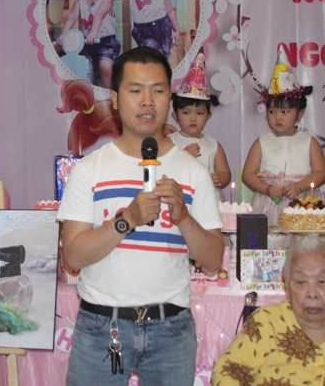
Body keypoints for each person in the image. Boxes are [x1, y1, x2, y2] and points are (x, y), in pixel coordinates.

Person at [56, 46, 223, 385]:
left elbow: (213, 260)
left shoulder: (193, 172)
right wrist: (126, 220)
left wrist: (184, 217)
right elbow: (73, 256)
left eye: (157, 91)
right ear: (116, 99)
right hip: (102, 327)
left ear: (168, 98)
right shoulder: (89, 170)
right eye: (136, 90)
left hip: (171, 329)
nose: (147, 101)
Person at [213, 236, 325, 385]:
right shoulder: (266, 322)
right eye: (301, 282)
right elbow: (228, 371)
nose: (312, 293)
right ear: (286, 282)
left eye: (322, 281)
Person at [242, 48, 325, 226]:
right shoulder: (262, 142)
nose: (277, 117)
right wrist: (266, 188)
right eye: (272, 111)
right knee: (271, 238)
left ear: (300, 113)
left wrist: (299, 186)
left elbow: (321, 173)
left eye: (285, 112)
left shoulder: (309, 142)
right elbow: (248, 175)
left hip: (302, 203)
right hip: (269, 202)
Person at [168, 49, 231, 201]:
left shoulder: (213, 144)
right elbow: (164, 171)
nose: (193, 118)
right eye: (186, 113)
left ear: (209, 115)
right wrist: (182, 157)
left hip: (210, 198)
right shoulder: (170, 142)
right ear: (175, 116)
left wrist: (220, 179)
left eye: (200, 113)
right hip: (182, 198)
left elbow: (225, 173)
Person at [57, 0, 121, 89]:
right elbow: (71, 17)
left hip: (106, 42)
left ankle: (107, 95)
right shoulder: (80, 2)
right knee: (77, 64)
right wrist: (64, 34)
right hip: (86, 43)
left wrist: (93, 33)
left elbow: (99, 15)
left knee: (105, 66)